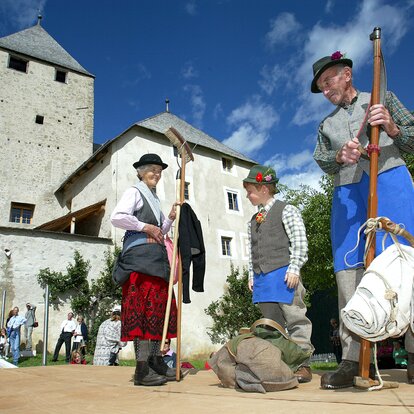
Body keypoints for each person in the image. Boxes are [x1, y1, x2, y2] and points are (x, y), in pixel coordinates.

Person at [311, 51, 414, 388]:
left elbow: (412, 140)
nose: (326, 89)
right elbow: (323, 160)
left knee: (407, 263)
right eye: (321, 87)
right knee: (349, 269)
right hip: (348, 194)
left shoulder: (383, 99)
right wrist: (339, 156)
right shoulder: (326, 126)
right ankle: (353, 360)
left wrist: (393, 127)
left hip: (391, 182)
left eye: (329, 81)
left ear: (347, 74)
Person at [111, 153, 180, 386]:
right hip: (140, 263)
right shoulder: (134, 192)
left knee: (158, 314)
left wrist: (169, 219)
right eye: (151, 169)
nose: (156, 174)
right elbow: (118, 217)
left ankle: (156, 361)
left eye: (159, 171)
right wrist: (145, 226)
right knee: (142, 313)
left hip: (157, 262)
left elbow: (160, 230)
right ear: (140, 171)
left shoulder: (154, 199)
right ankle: (141, 369)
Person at [243, 164, 314, 383]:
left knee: (295, 319)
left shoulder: (287, 210)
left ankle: (303, 364)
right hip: (264, 278)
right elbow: (251, 251)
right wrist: (251, 275)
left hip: (285, 275)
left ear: (263, 188)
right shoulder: (253, 221)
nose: (247, 196)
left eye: (250, 191)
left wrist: (295, 268)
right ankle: (281, 365)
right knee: (271, 325)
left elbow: (300, 241)